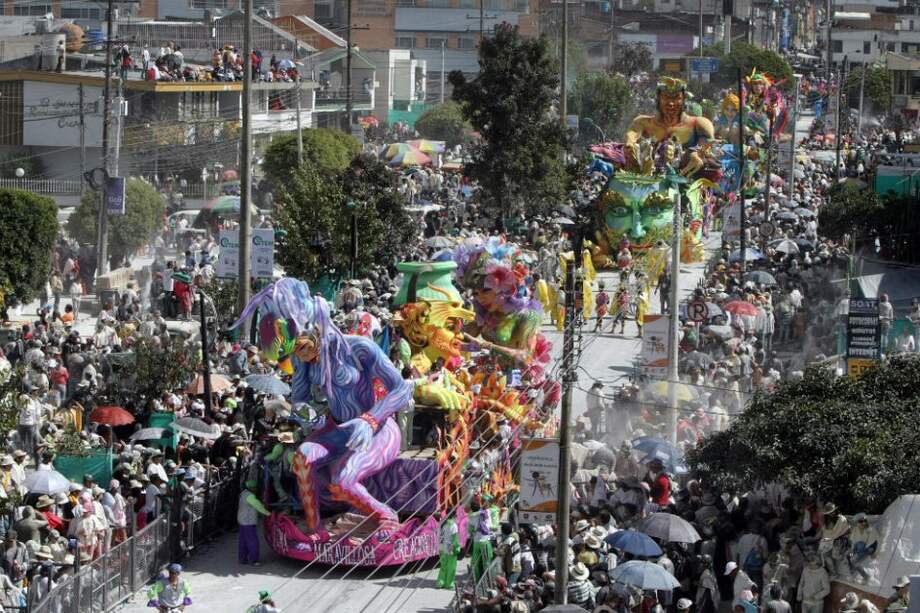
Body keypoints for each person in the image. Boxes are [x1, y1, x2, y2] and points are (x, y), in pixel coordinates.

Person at [237, 479, 270, 566]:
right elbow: (258, 506)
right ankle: (253, 560)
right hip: (248, 522)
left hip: (242, 521)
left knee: (243, 542)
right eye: (255, 488)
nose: (256, 489)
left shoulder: (243, 494)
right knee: (253, 542)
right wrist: (268, 514)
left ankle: (242, 559)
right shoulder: (250, 496)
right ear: (252, 488)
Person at [436, 514, 460, 590]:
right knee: (451, 567)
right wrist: (456, 549)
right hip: (450, 548)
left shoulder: (441, 523)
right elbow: (455, 539)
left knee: (443, 566)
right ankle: (449, 584)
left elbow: (438, 535)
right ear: (453, 516)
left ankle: (440, 582)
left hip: (441, 547)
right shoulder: (453, 525)